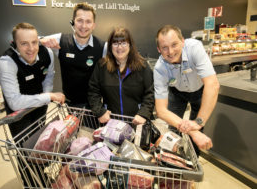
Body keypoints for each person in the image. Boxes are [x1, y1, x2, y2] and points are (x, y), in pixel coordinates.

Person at [0, 22, 65, 187]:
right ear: (14, 44)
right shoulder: (7, 61)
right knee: (26, 151)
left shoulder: (47, 53)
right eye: (24, 43)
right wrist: (48, 96)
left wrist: (45, 96)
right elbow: (14, 102)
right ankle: (31, 184)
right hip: (19, 114)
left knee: (40, 145)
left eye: (34, 42)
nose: (31, 48)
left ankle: (41, 178)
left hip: (39, 108)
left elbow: (49, 76)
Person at [153, 25, 220, 153]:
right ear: (159, 49)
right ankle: (173, 160)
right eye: (164, 48)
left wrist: (198, 123)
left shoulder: (194, 48)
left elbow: (212, 84)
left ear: (182, 41)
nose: (171, 52)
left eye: (174, 45)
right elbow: (161, 111)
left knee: (199, 128)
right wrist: (192, 131)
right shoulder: (159, 68)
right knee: (173, 130)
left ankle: (192, 163)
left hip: (200, 90)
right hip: (176, 93)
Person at [40, 2, 107, 108]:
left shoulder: (103, 46)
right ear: (73, 22)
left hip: (95, 104)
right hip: (70, 103)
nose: (84, 26)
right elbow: (32, 40)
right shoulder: (61, 40)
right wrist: (41, 40)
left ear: (94, 25)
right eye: (79, 20)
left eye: (88, 22)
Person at [88, 27, 154, 125]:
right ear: (110, 46)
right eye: (115, 43)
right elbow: (93, 91)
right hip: (111, 124)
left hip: (137, 123)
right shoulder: (102, 66)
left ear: (130, 45)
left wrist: (143, 114)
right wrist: (100, 112)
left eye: (123, 43)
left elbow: (151, 93)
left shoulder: (142, 66)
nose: (119, 47)